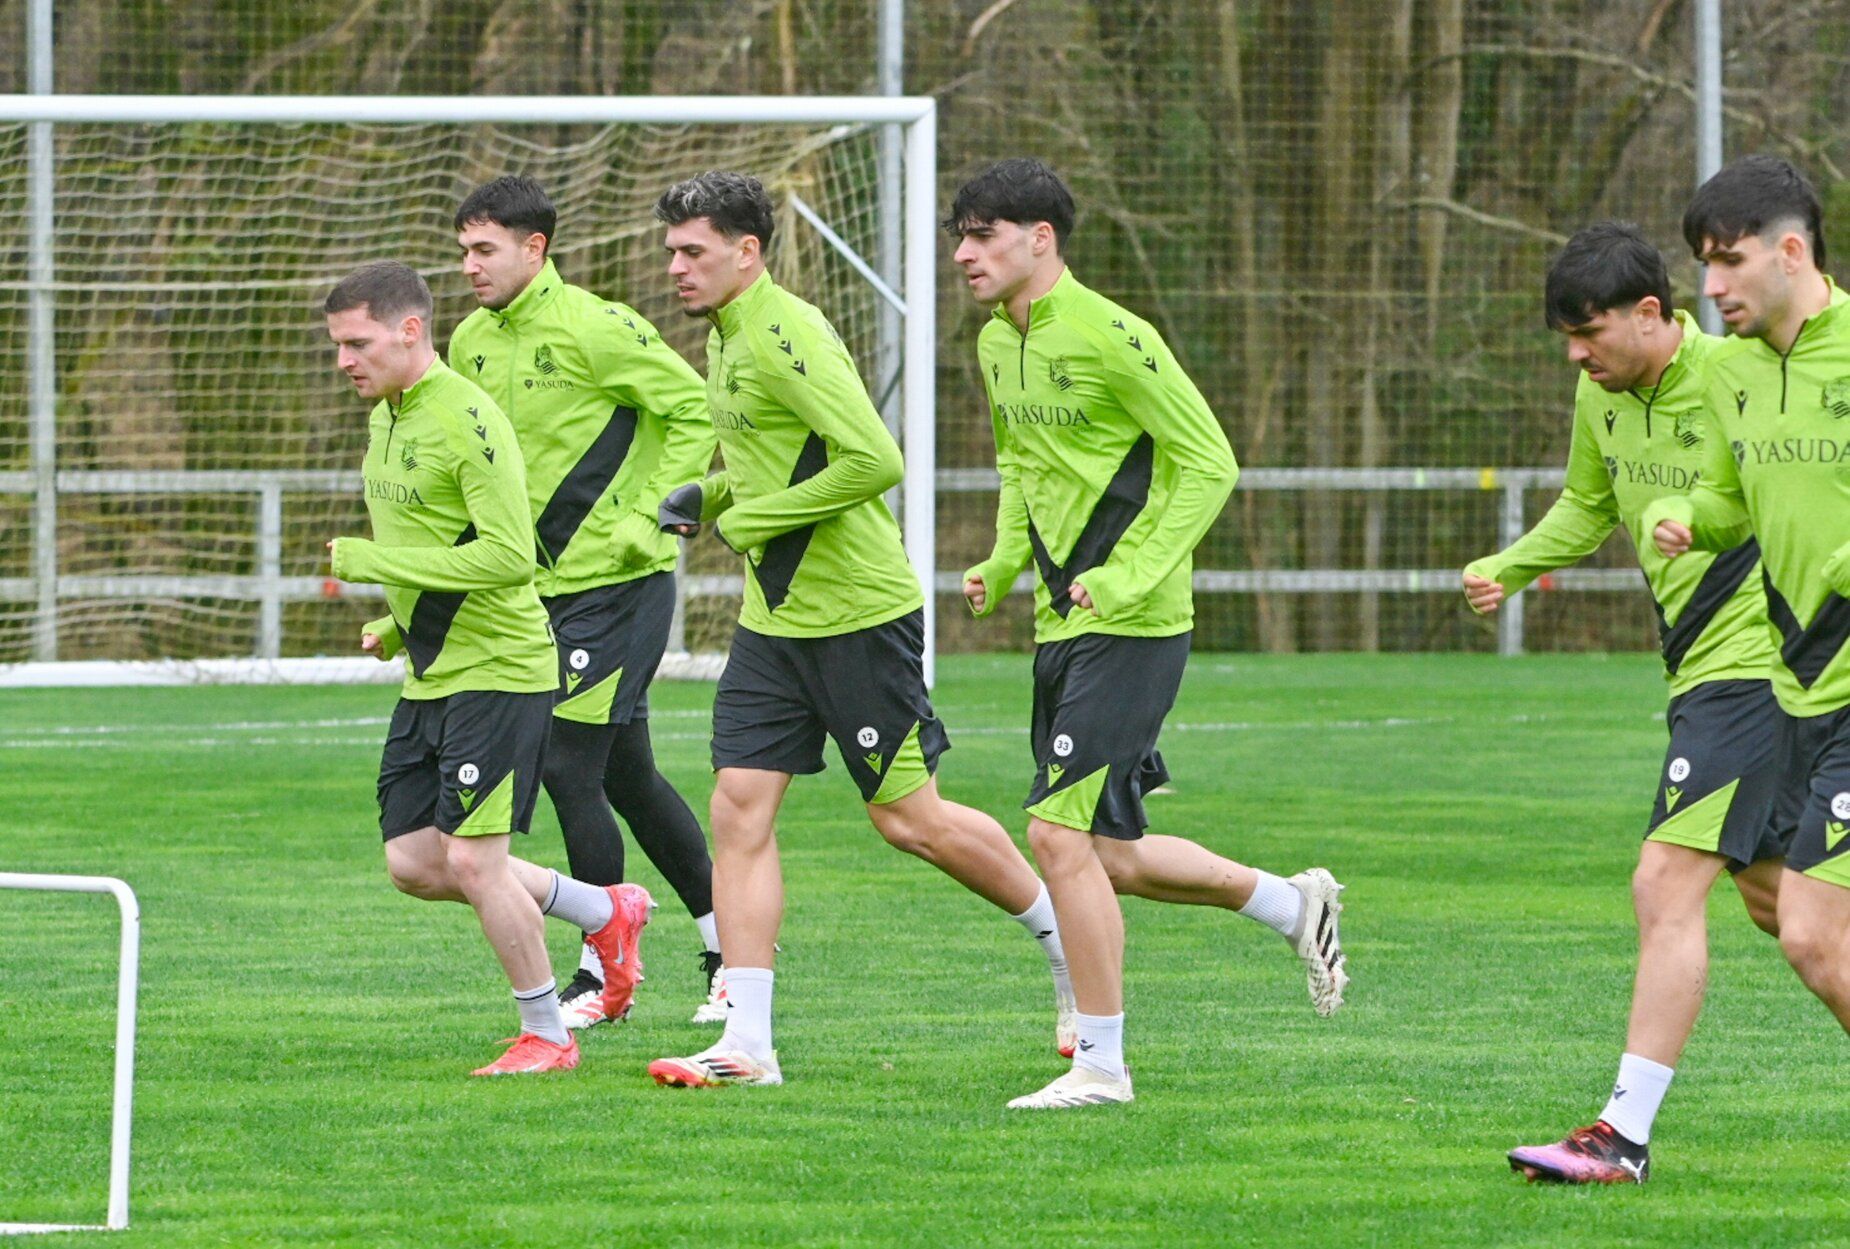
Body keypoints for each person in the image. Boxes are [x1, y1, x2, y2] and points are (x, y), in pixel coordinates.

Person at [641, 171, 1075, 1089]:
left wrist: (757, 521)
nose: (674, 267)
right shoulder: (722, 337)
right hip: (775, 620)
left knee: (910, 821)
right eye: (671, 251)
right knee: (737, 806)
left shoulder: (784, 328)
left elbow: (875, 459)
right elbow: (771, 457)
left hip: (857, 613)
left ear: (746, 251)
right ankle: (748, 1041)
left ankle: (1069, 944)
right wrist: (711, 494)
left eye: (693, 251)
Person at [949, 158, 1346, 1110]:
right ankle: (1296, 905)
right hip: (1062, 622)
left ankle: (1101, 1064)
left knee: (1053, 836)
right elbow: (1021, 463)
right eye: (959, 236)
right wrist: (1004, 562)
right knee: (1108, 856)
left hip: (1136, 622)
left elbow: (1211, 461)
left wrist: (1129, 572)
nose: (964, 253)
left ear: (1040, 239)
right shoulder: (997, 343)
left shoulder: (1115, 334)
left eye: (983, 234)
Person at [1465, 223, 1782, 1185]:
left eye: (1589, 333)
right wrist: (1511, 567)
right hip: (1696, 668)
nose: (1575, 354)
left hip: (1759, 662)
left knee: (1665, 879)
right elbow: (1586, 503)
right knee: (1786, 908)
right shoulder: (1597, 394)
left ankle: (1621, 1135)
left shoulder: (1740, 376)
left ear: (1653, 314)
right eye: (1566, 338)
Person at [323, 260, 652, 1076]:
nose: (343, 361)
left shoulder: (468, 418)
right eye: (336, 346)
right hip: (431, 669)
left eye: (356, 342)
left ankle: (548, 1033)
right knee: (412, 860)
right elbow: (437, 547)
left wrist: (364, 559)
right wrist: (396, 624)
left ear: (409, 330)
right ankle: (603, 908)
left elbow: (510, 557)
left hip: (501, 669)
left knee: (474, 860)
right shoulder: (388, 416)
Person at [448, 176, 724, 1027]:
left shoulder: (597, 326)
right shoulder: (467, 343)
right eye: (462, 250)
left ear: (536, 249)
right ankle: (728, 951)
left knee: (568, 765)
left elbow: (692, 409)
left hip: (617, 587)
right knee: (628, 777)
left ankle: (602, 969)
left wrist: (657, 517)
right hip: (536, 596)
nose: (469, 266)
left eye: (484, 249)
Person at [1646, 154, 1850, 1041]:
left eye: (1729, 260)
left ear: (1791, 252)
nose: (1712, 283)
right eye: (1705, 262)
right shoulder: (1729, 372)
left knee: (1810, 932)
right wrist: (1685, 512)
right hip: (1798, 688)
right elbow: (1734, 502)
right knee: (1800, 924)